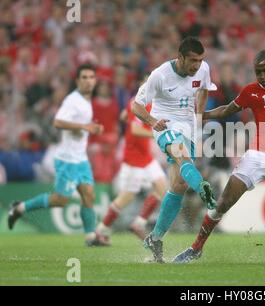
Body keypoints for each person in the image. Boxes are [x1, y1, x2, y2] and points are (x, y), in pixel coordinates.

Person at [173, 50, 265, 264]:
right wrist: (200, 116)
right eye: (258, 71)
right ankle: (196, 248)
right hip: (257, 157)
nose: (262, 75)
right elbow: (225, 111)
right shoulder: (250, 91)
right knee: (223, 203)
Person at [132, 37, 217, 263]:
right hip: (165, 126)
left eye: (200, 60)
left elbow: (205, 90)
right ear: (180, 57)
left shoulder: (203, 69)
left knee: (179, 185)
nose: (196, 66)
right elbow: (136, 105)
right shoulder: (159, 75)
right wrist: (151, 120)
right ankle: (202, 187)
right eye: (192, 60)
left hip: (188, 129)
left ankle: (155, 237)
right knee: (180, 153)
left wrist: (198, 114)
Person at [8, 63, 107, 246]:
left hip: (80, 158)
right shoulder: (73, 100)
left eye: (91, 77)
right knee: (60, 200)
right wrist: (84, 126)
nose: (88, 81)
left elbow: (76, 126)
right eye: (84, 77)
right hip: (67, 159)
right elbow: (58, 122)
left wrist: (89, 127)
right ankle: (19, 208)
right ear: (77, 81)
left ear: (95, 81)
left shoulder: (86, 101)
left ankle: (90, 237)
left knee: (89, 195)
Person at [95, 98, 168, 244]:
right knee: (126, 197)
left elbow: (123, 116)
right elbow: (135, 129)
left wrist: (128, 117)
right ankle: (100, 231)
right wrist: (157, 133)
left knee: (161, 186)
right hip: (133, 159)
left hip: (146, 157)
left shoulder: (149, 102)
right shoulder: (139, 102)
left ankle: (138, 224)